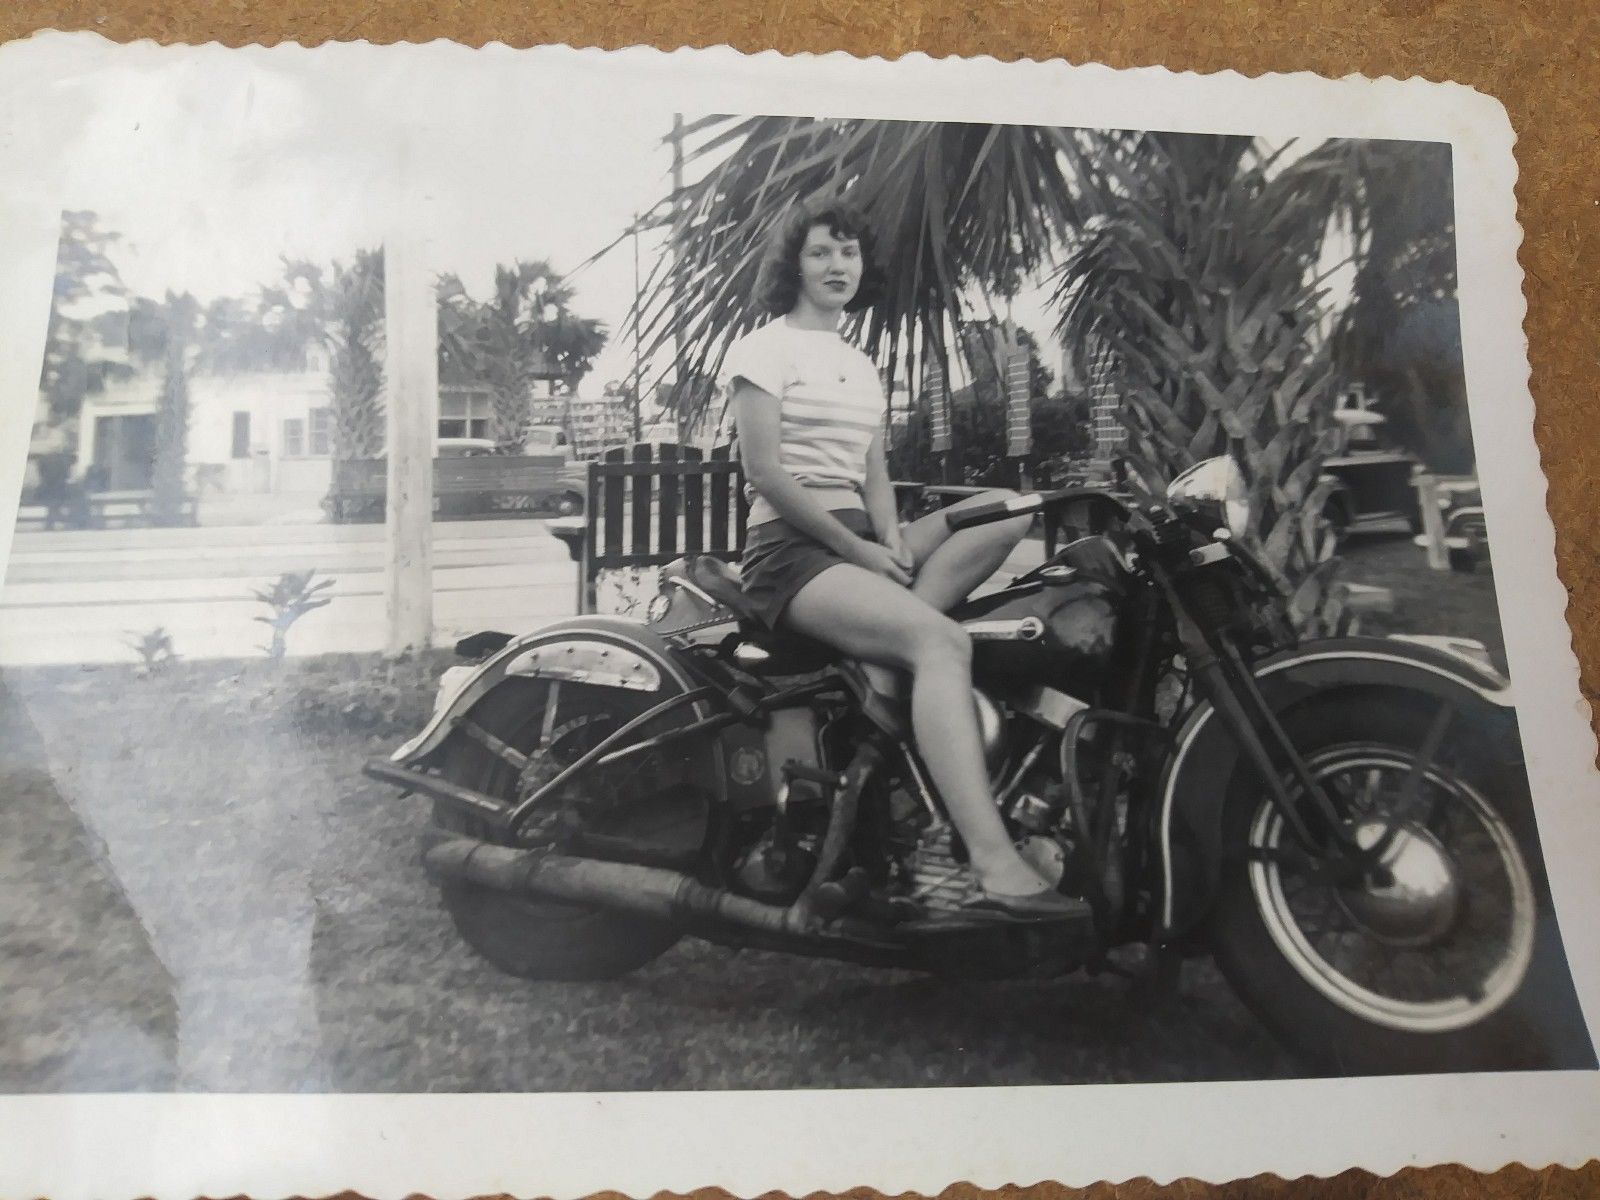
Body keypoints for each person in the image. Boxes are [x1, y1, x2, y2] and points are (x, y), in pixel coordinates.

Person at [719, 196, 1082, 921]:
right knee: (942, 643)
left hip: (859, 540)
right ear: (794, 261)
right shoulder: (764, 347)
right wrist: (855, 548)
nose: (836, 265)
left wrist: (889, 536)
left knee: (1006, 513)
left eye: (848, 253)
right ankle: (992, 861)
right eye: (821, 251)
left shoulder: (858, 361)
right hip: (791, 553)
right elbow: (764, 472)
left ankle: (882, 652)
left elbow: (874, 472)